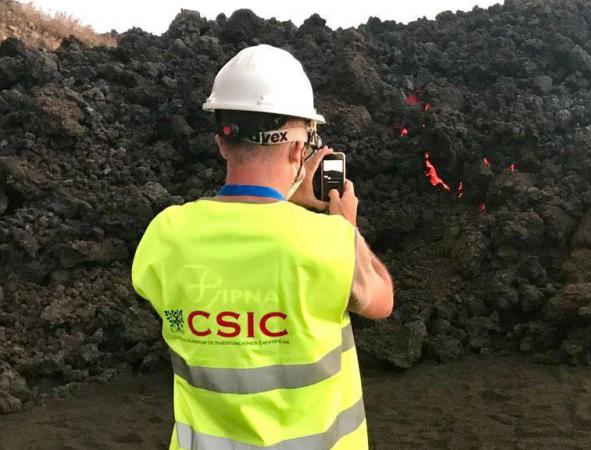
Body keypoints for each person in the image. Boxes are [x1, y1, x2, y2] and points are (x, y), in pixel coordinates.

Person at [131, 44, 394, 450]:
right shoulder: (329, 241)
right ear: (297, 149)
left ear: (222, 141)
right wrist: (346, 227)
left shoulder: (167, 234)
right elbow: (381, 301)